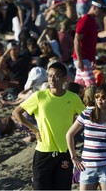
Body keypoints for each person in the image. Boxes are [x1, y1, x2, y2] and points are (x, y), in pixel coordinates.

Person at [12, 62, 85, 190]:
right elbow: (16, 113)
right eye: (50, 75)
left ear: (64, 78)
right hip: (43, 152)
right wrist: (34, 129)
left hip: (64, 152)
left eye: (56, 76)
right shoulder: (39, 96)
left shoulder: (73, 98)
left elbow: (87, 118)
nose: (52, 79)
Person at [73, 0, 106, 87]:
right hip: (82, 58)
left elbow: (92, 42)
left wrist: (94, 58)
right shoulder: (85, 20)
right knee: (91, 86)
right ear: (94, 7)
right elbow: (76, 40)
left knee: (79, 85)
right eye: (100, 10)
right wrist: (80, 60)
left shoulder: (92, 21)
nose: (101, 13)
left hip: (86, 58)